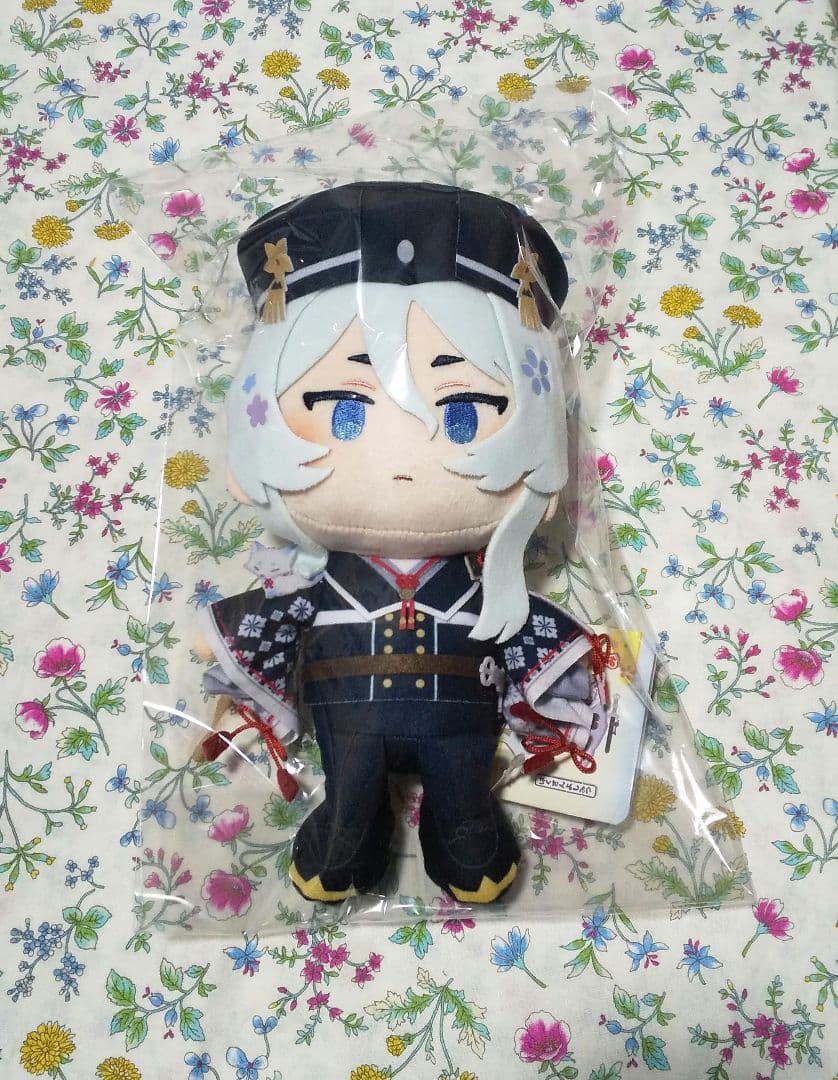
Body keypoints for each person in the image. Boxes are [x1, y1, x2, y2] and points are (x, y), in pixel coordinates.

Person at [196, 181, 605, 904]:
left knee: (464, 788)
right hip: (347, 720)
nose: (403, 459)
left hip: (462, 719)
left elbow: (524, 628)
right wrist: (224, 649)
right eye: (342, 411)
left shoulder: (485, 583)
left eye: (464, 412)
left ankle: (466, 832)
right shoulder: (318, 580)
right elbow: (275, 614)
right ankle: (344, 837)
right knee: (350, 787)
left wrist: (572, 676)